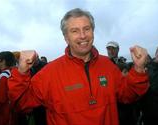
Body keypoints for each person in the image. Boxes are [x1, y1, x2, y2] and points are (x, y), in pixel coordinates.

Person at [8, 8, 149, 125]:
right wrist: (21, 72)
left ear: (93, 32)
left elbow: (128, 95)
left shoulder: (108, 65)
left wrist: (138, 69)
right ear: (66, 37)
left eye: (87, 29)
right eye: (75, 31)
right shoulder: (49, 73)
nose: (83, 36)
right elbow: (21, 104)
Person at [0, 51, 17, 125]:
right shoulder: (11, 72)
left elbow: (0, 100)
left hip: (3, 114)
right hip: (11, 112)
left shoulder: (3, 76)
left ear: (3, 61)